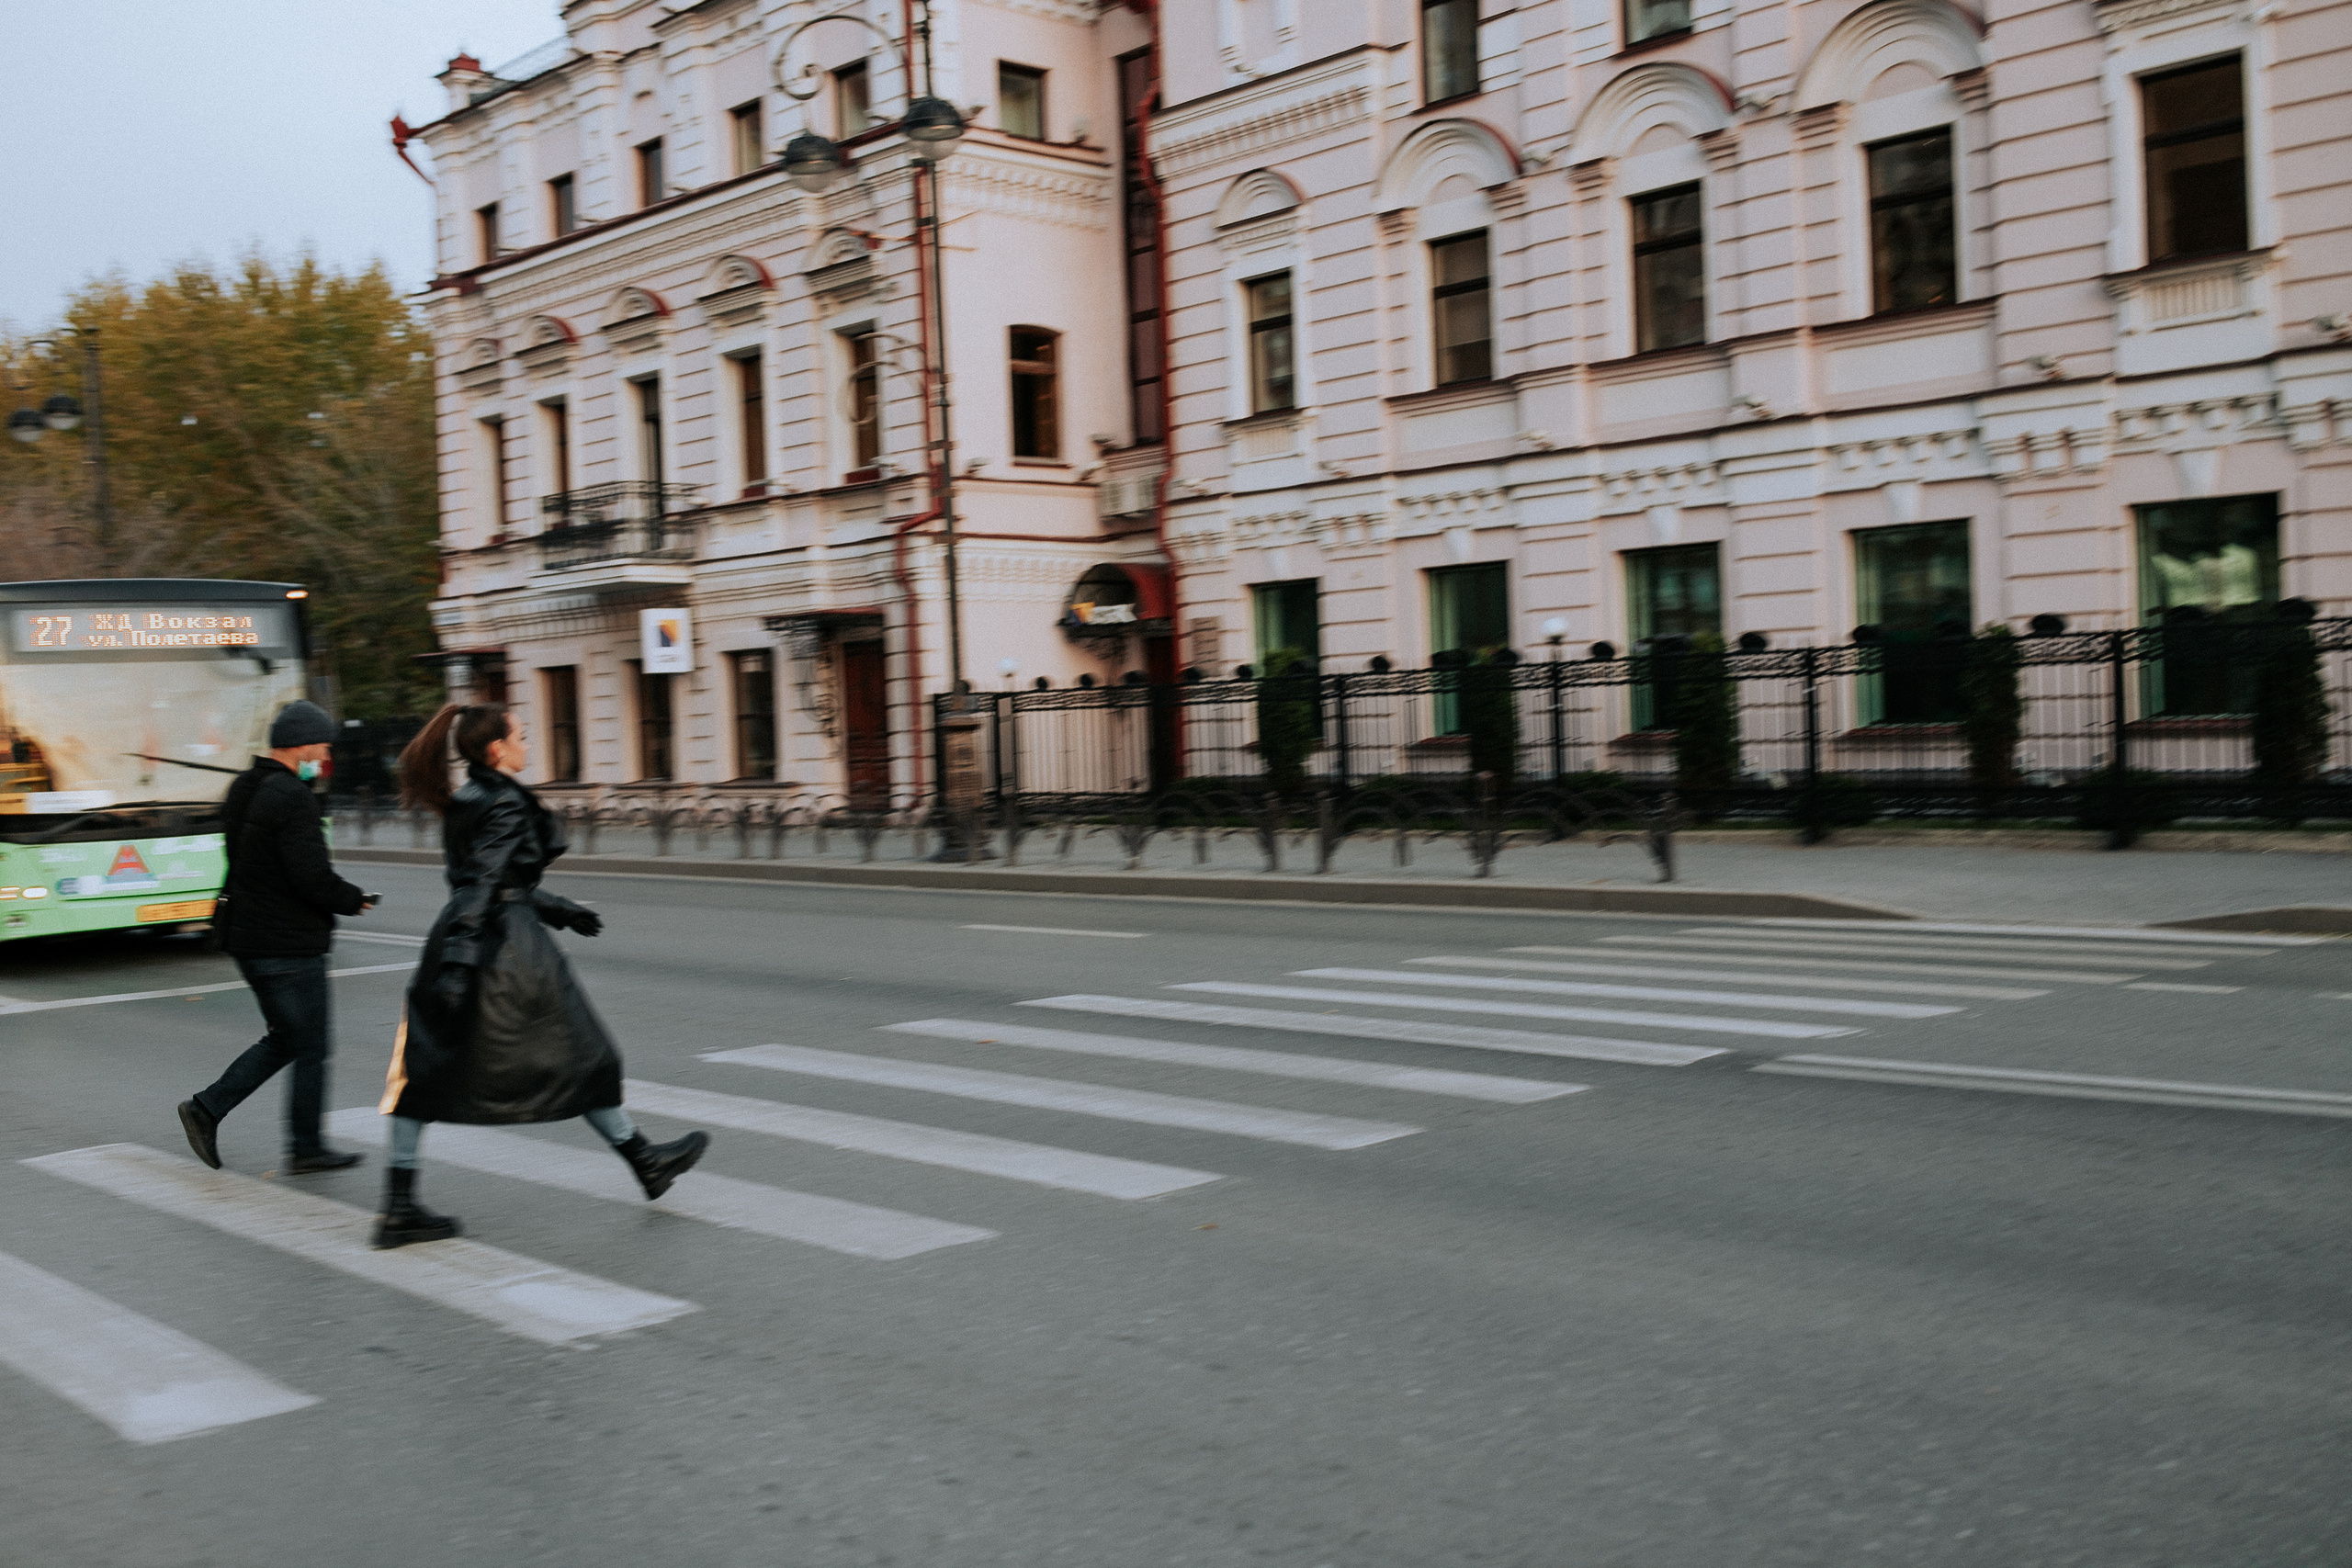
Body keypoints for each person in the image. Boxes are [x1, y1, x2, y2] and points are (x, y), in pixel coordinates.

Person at [373, 702, 709, 1249]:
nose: (528, 745)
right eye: (521, 737)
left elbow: (484, 879)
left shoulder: (469, 796)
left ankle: (398, 1207)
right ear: (496, 750)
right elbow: (482, 885)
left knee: (422, 1071)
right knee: (585, 1055)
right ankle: (645, 1162)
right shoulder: (503, 800)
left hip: (471, 938)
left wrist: (556, 908)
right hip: (504, 952)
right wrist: (463, 963)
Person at [177, 700, 377, 1174]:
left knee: (289, 1039)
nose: (325, 756)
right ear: (303, 744)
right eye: (323, 746)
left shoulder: (243, 787)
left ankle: (221, 1114)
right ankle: (289, 1141)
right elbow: (309, 875)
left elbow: (255, 862)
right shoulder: (292, 796)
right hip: (287, 944)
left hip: (248, 937)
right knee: (309, 1047)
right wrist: (354, 899)